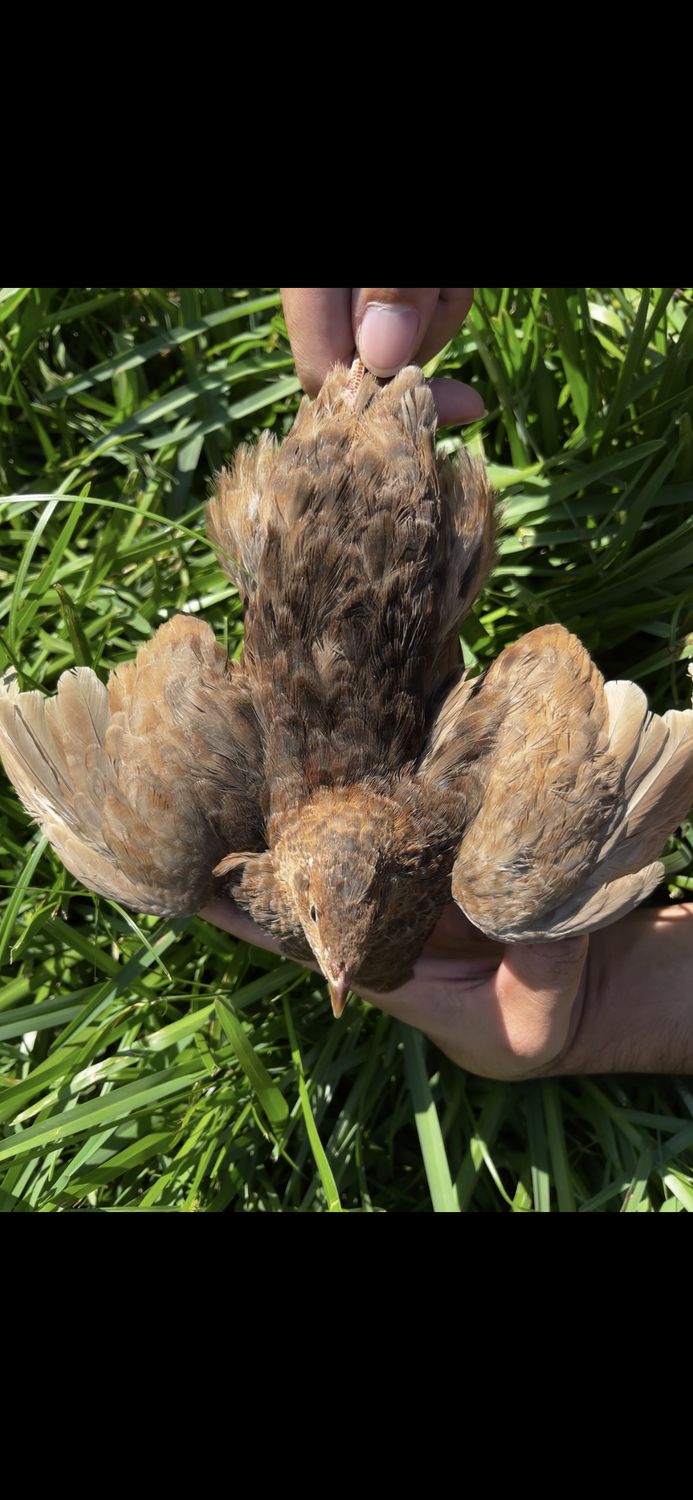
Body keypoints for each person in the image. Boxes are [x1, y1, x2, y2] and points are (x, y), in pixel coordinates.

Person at [200, 287, 693, 1079]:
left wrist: (592, 1009)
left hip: (351, 531)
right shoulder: (280, 836)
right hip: (355, 533)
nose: (338, 977)